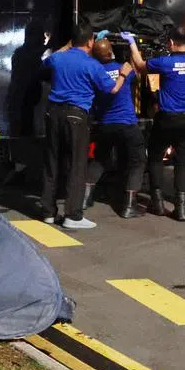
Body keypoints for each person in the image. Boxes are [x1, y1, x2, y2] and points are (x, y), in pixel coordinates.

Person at [39, 22, 132, 230]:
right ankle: (72, 215)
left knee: (51, 162)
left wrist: (70, 43)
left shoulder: (58, 58)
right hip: (76, 116)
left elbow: (47, 62)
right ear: (91, 42)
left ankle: (48, 212)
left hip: (53, 113)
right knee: (76, 166)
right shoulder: (92, 65)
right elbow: (112, 90)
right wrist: (124, 74)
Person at [122, 25, 185, 221]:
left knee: (156, 156)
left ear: (172, 43)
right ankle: (180, 207)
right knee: (182, 161)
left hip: (168, 118)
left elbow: (140, 65)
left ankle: (157, 202)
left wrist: (132, 43)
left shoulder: (164, 63)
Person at [86, 38, 146, 218]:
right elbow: (139, 70)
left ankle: (84, 198)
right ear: (111, 52)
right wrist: (132, 46)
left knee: (100, 159)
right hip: (127, 123)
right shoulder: (124, 70)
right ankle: (129, 205)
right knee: (138, 160)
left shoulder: (95, 72)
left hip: (105, 124)